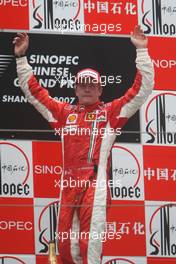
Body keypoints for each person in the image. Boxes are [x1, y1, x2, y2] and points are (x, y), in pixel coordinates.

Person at [13, 25, 154, 264]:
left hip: (94, 185)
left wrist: (141, 51)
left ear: (100, 89)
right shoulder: (63, 113)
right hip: (68, 184)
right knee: (66, 243)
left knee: (90, 244)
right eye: (82, 84)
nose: (87, 88)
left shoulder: (110, 113)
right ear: (76, 89)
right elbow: (35, 94)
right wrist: (21, 59)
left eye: (92, 85)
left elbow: (141, 90)